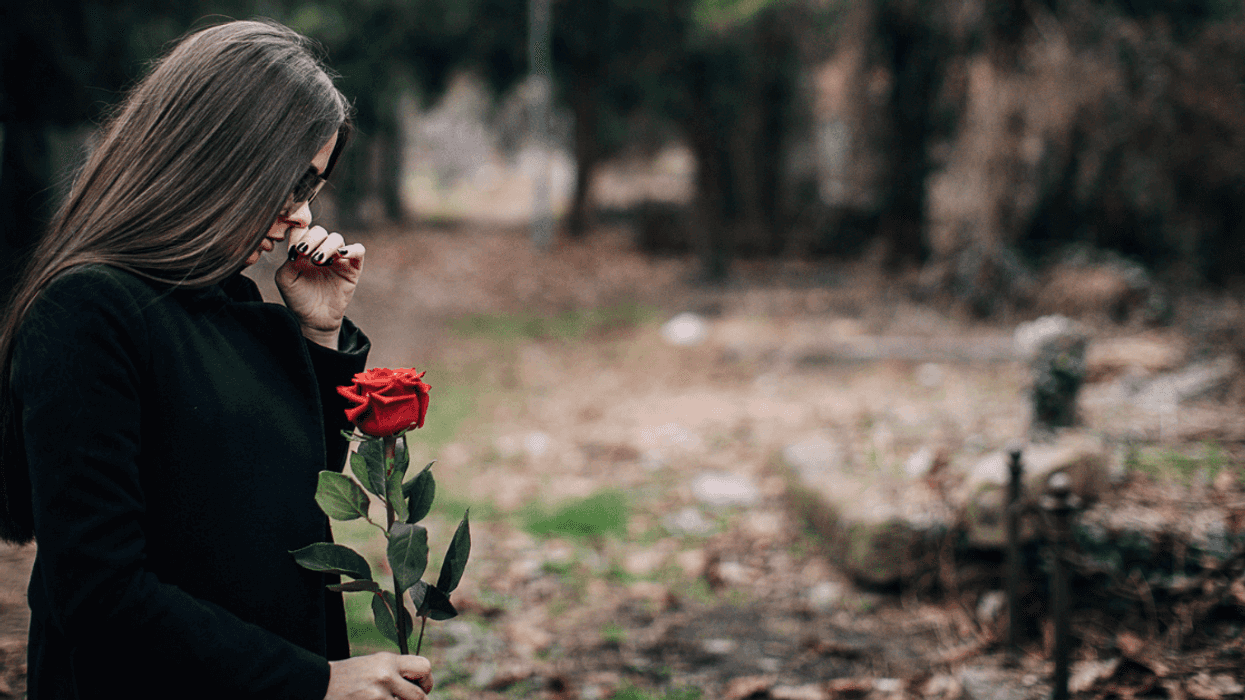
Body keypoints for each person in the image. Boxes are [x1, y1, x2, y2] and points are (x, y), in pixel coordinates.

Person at [0, 20, 434, 700]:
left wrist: (320, 336)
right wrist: (313, 682)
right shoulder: (87, 311)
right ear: (219, 157)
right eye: (293, 183)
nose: (301, 216)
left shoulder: (231, 305)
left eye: (312, 187)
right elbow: (102, 595)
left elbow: (274, 506)